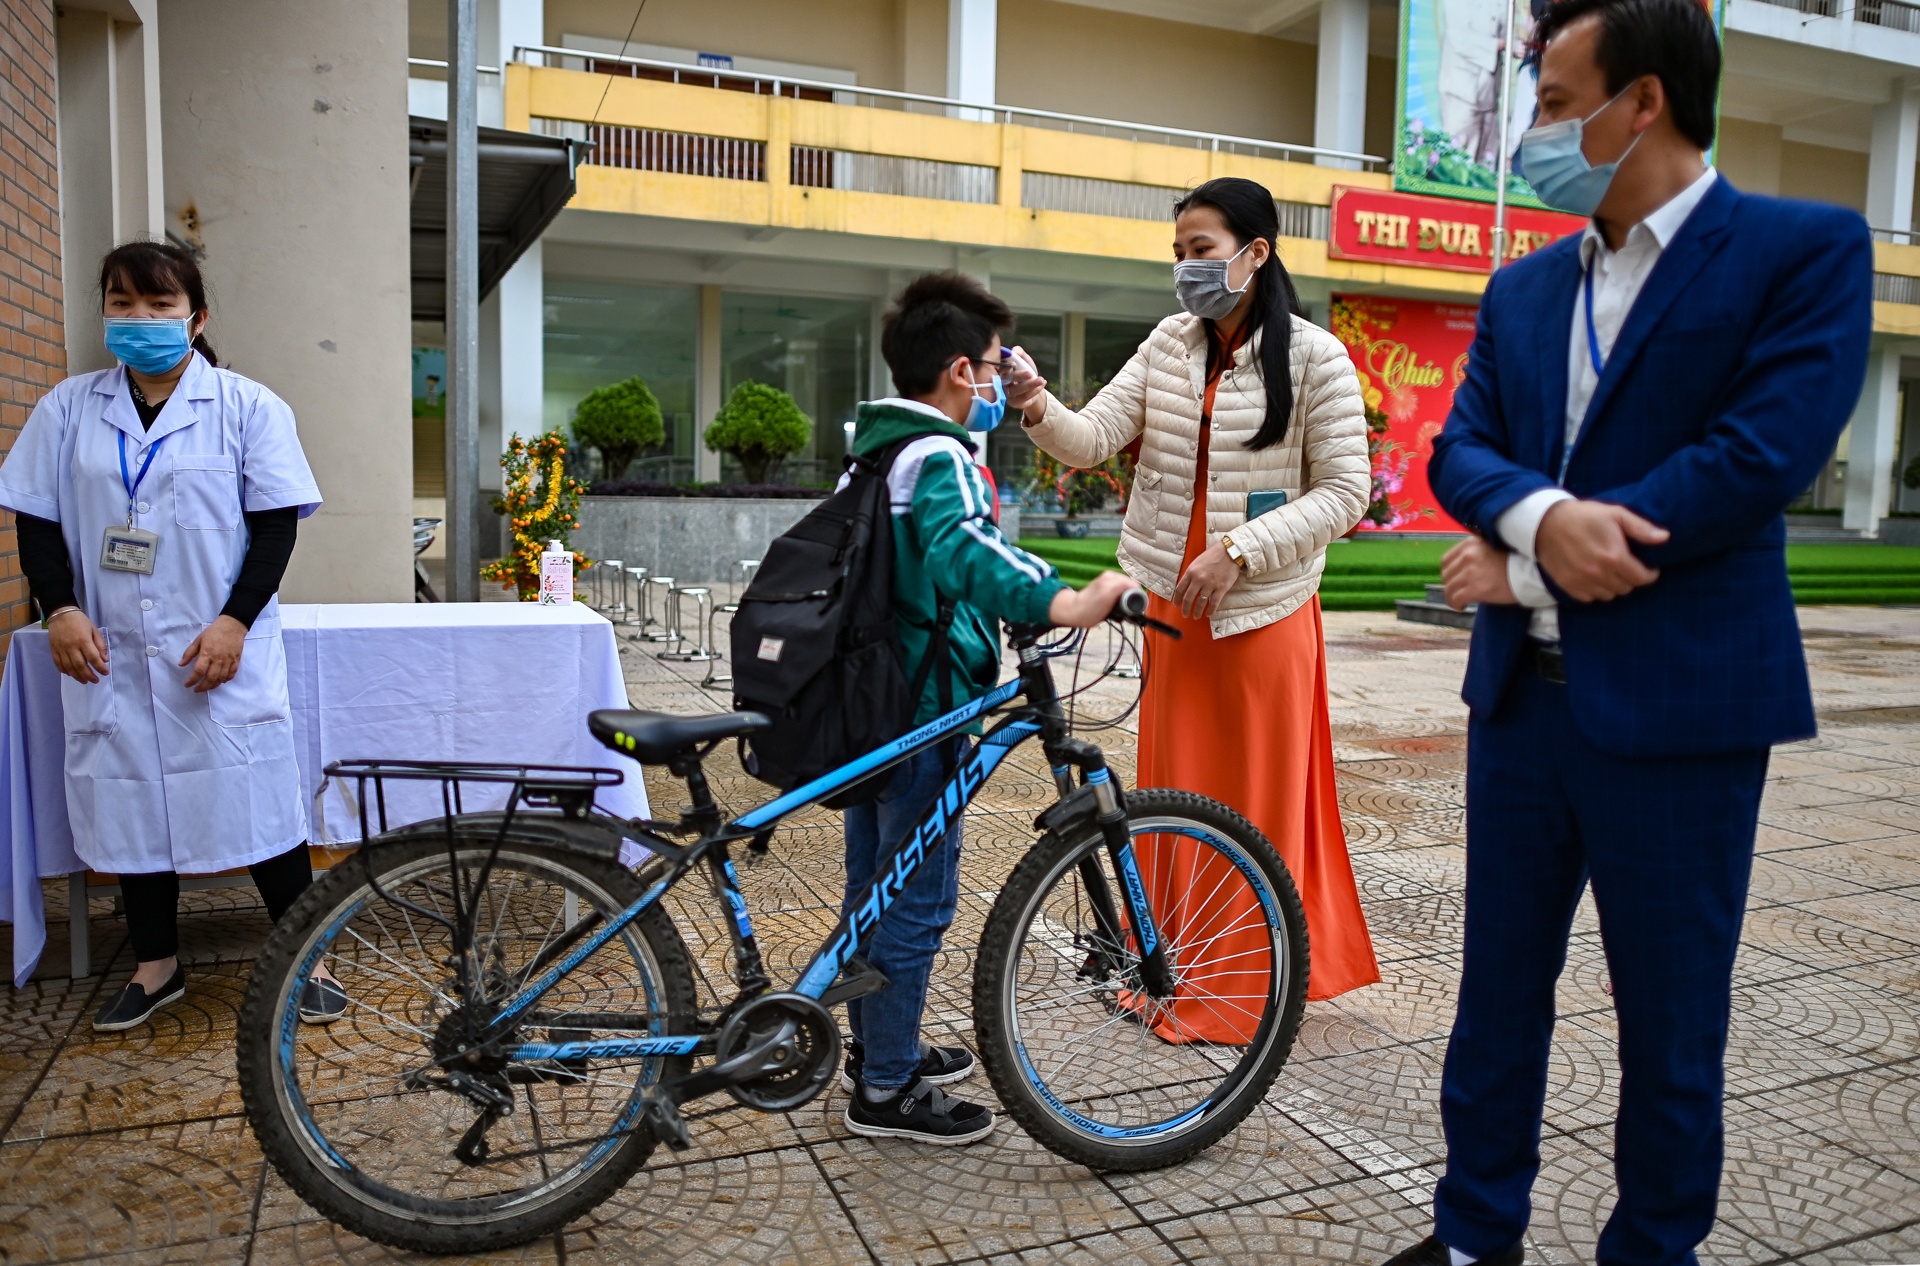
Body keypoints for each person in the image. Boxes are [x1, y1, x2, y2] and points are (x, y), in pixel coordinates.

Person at [1384, 3, 1874, 1263]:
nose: (1536, 133)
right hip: (1523, 712)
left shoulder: (1800, 250)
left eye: (1556, 104)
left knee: (1669, 1019)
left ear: (1642, 100)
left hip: (1685, 711)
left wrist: (1527, 565)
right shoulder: (1525, 287)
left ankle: (1655, 1246)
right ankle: (1471, 1235)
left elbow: (1759, 457)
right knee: (1497, 997)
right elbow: (1463, 449)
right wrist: (1548, 521)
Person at [1009, 176, 1380, 1020]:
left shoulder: (1316, 356)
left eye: (1201, 249)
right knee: (1175, 795)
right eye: (1178, 252)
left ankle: (1247, 986)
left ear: (1256, 252)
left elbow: (1345, 493)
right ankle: (1176, 965)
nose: (1186, 267)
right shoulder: (1169, 343)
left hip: (1263, 612)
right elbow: (1093, 439)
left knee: (1252, 797)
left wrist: (1239, 551)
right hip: (1176, 611)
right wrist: (1035, 402)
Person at [0, 241, 343, 1033]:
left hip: (216, 648)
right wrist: (60, 608)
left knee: (259, 801)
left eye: (160, 305)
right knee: (131, 806)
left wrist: (234, 622)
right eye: (122, 303)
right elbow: (37, 522)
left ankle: (311, 957)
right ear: (104, 312)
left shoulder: (248, 406)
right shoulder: (68, 408)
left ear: (197, 317)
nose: (140, 319)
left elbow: (275, 528)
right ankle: (156, 967)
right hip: (109, 648)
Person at [838, 272, 1135, 1145]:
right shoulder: (939, 457)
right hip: (923, 710)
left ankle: (877, 1046)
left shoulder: (879, 447)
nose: (1005, 381)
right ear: (962, 372)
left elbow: (922, 565)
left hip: (874, 705)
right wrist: (1060, 599)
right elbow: (962, 548)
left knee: (872, 893)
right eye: (999, 365)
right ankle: (885, 1087)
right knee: (916, 904)